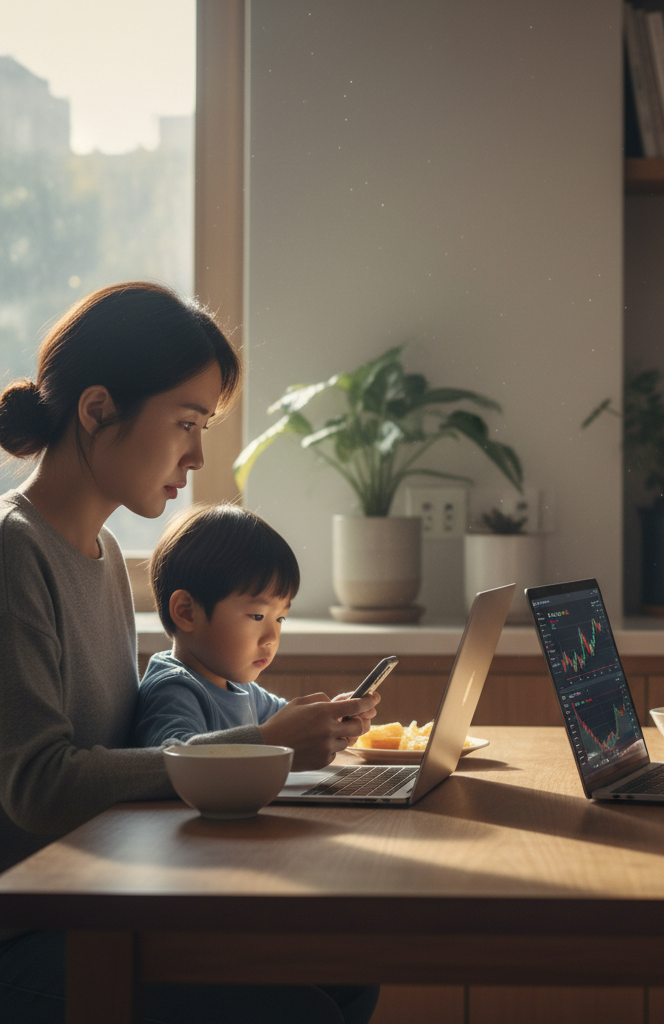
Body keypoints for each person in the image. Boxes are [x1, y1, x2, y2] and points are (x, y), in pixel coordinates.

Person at [0, 282, 380, 1023]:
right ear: (98, 410)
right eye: (185, 423)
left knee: (348, 970)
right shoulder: (14, 555)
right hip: (30, 927)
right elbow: (40, 785)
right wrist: (259, 746)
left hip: (104, 895)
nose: (198, 455)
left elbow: (116, 754)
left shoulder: (105, 555)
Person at [135, 502, 303, 747]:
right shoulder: (173, 690)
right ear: (187, 612)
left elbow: (290, 722)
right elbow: (173, 761)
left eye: (280, 619)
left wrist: (333, 715)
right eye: (258, 616)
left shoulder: (241, 688)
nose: (271, 637)